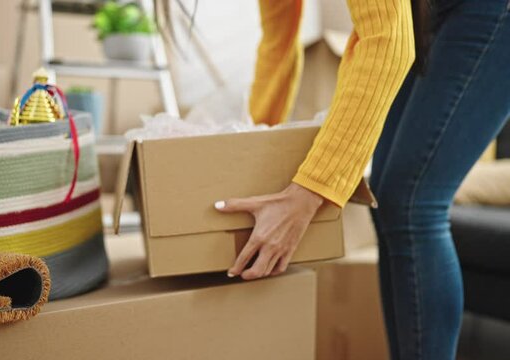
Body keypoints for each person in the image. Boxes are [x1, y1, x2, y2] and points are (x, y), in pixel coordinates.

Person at [212, 0, 510, 359]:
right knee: (388, 200)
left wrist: (308, 193)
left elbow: (387, 38)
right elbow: (279, 38)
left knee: (413, 204)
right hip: (427, 9)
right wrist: (251, 147)